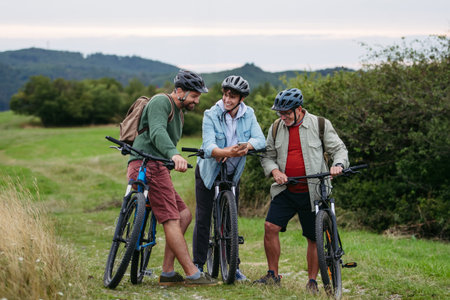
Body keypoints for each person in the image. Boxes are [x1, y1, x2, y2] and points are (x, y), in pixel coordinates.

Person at [127, 69, 217, 286]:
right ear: (179, 91)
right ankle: (192, 273)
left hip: (158, 168)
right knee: (172, 218)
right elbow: (157, 131)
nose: (197, 100)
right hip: (147, 165)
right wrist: (174, 154)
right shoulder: (161, 102)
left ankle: (167, 272)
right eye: (194, 95)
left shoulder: (179, 114)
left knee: (185, 215)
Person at [254, 88, 349, 293]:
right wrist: (274, 171)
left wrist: (338, 164)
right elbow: (267, 155)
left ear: (299, 109)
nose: (283, 116)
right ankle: (273, 275)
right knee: (270, 227)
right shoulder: (276, 127)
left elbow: (339, 149)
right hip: (285, 189)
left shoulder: (319, 124)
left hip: (313, 190)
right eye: (280, 113)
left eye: (287, 112)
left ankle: (312, 281)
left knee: (313, 237)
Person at [192, 75, 266, 281]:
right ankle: (197, 264)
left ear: (241, 99)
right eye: (225, 94)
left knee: (229, 221)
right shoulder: (211, 114)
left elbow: (260, 139)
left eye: (232, 96)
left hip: (233, 172)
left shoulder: (248, 114)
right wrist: (224, 152)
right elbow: (207, 145)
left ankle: (232, 266)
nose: (227, 99)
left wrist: (247, 146)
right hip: (209, 171)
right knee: (204, 217)